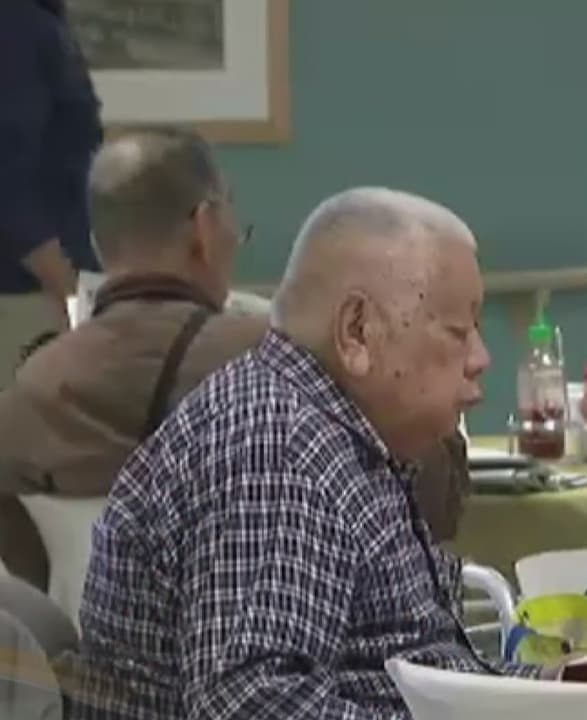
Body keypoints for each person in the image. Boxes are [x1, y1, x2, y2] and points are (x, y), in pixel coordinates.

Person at [70, 187, 545, 719]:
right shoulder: (278, 447)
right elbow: (249, 703)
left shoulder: (337, 432)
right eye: (459, 331)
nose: (480, 358)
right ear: (357, 331)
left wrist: (574, 689)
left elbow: (428, 666)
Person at [0, 128, 473, 591]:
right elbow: (433, 504)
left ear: (100, 243)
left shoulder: (29, 393)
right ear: (204, 228)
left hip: (86, 641)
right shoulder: (287, 363)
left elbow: (22, 585)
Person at [0, 0, 104, 375]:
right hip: (32, 295)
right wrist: (70, 291)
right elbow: (8, 178)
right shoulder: (17, 26)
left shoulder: (36, 22)